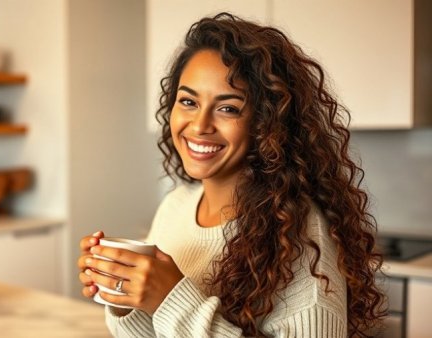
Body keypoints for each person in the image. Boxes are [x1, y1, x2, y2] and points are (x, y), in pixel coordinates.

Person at [77, 12, 386, 337]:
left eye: (228, 108)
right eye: (188, 101)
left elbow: (174, 314)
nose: (199, 125)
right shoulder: (175, 207)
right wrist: (126, 299)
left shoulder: (300, 234)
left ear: (267, 123)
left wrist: (170, 300)